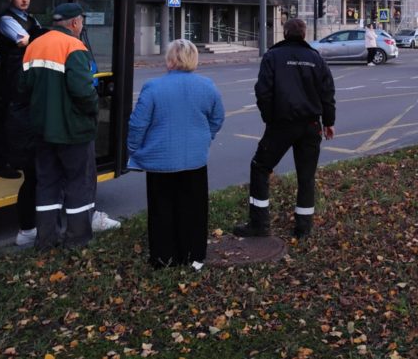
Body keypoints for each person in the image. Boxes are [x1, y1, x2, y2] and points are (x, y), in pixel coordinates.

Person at [233, 18, 336, 240]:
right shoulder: (315, 59)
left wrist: (270, 118)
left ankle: (259, 224)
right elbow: (327, 93)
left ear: (285, 33)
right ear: (304, 34)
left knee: (260, 167)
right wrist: (328, 122)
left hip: (281, 125)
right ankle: (303, 229)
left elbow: (263, 91)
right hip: (311, 126)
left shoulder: (273, 56)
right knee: (306, 177)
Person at [127, 39, 225, 270]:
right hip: (195, 161)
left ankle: (163, 258)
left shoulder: (153, 87)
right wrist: (204, 138)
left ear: (171, 60)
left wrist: (134, 149)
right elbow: (217, 118)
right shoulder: (207, 86)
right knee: (194, 209)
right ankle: (194, 257)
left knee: (161, 210)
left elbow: (138, 124)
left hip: (160, 163)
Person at [20, 2, 105, 249]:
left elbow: (22, 89)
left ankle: (46, 239)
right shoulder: (74, 47)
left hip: (42, 131)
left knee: (47, 183)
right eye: (82, 23)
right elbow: (82, 91)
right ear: (75, 23)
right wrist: (93, 110)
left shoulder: (34, 46)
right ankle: (77, 238)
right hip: (73, 132)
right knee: (78, 183)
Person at [0, 0, 43, 181]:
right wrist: (36, 38)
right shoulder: (6, 19)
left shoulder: (30, 19)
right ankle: (3, 162)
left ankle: (19, 158)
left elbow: (33, 38)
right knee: (12, 118)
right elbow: (23, 40)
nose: (24, 0)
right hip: (13, 74)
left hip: (26, 72)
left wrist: (34, 38)